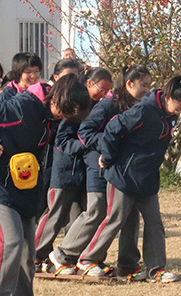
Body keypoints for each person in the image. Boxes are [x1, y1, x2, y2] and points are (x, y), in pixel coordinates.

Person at [0, 73, 91, 296]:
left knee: (27, 252)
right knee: (9, 243)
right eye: (63, 112)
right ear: (56, 98)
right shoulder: (23, 106)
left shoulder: (53, 116)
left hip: (25, 188)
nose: (63, 118)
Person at [77, 76, 181, 283]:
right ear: (168, 98)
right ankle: (87, 259)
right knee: (116, 218)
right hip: (123, 173)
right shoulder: (144, 109)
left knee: (154, 222)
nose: (179, 113)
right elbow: (113, 129)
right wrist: (108, 157)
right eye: (178, 108)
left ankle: (156, 269)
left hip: (147, 177)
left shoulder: (170, 115)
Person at [48, 65, 152, 277]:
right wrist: (108, 145)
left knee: (129, 213)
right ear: (129, 84)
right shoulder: (108, 105)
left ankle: (128, 263)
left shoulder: (138, 107)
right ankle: (63, 254)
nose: (147, 90)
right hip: (98, 164)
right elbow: (85, 133)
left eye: (149, 86)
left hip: (122, 168)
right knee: (97, 210)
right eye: (143, 85)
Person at [33, 66, 113, 267]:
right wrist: (86, 144)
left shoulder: (98, 107)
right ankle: (34, 252)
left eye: (107, 91)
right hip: (64, 170)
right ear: (89, 83)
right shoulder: (76, 103)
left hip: (84, 173)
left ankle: (73, 257)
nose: (103, 94)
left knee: (78, 216)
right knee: (55, 214)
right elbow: (63, 140)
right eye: (100, 89)